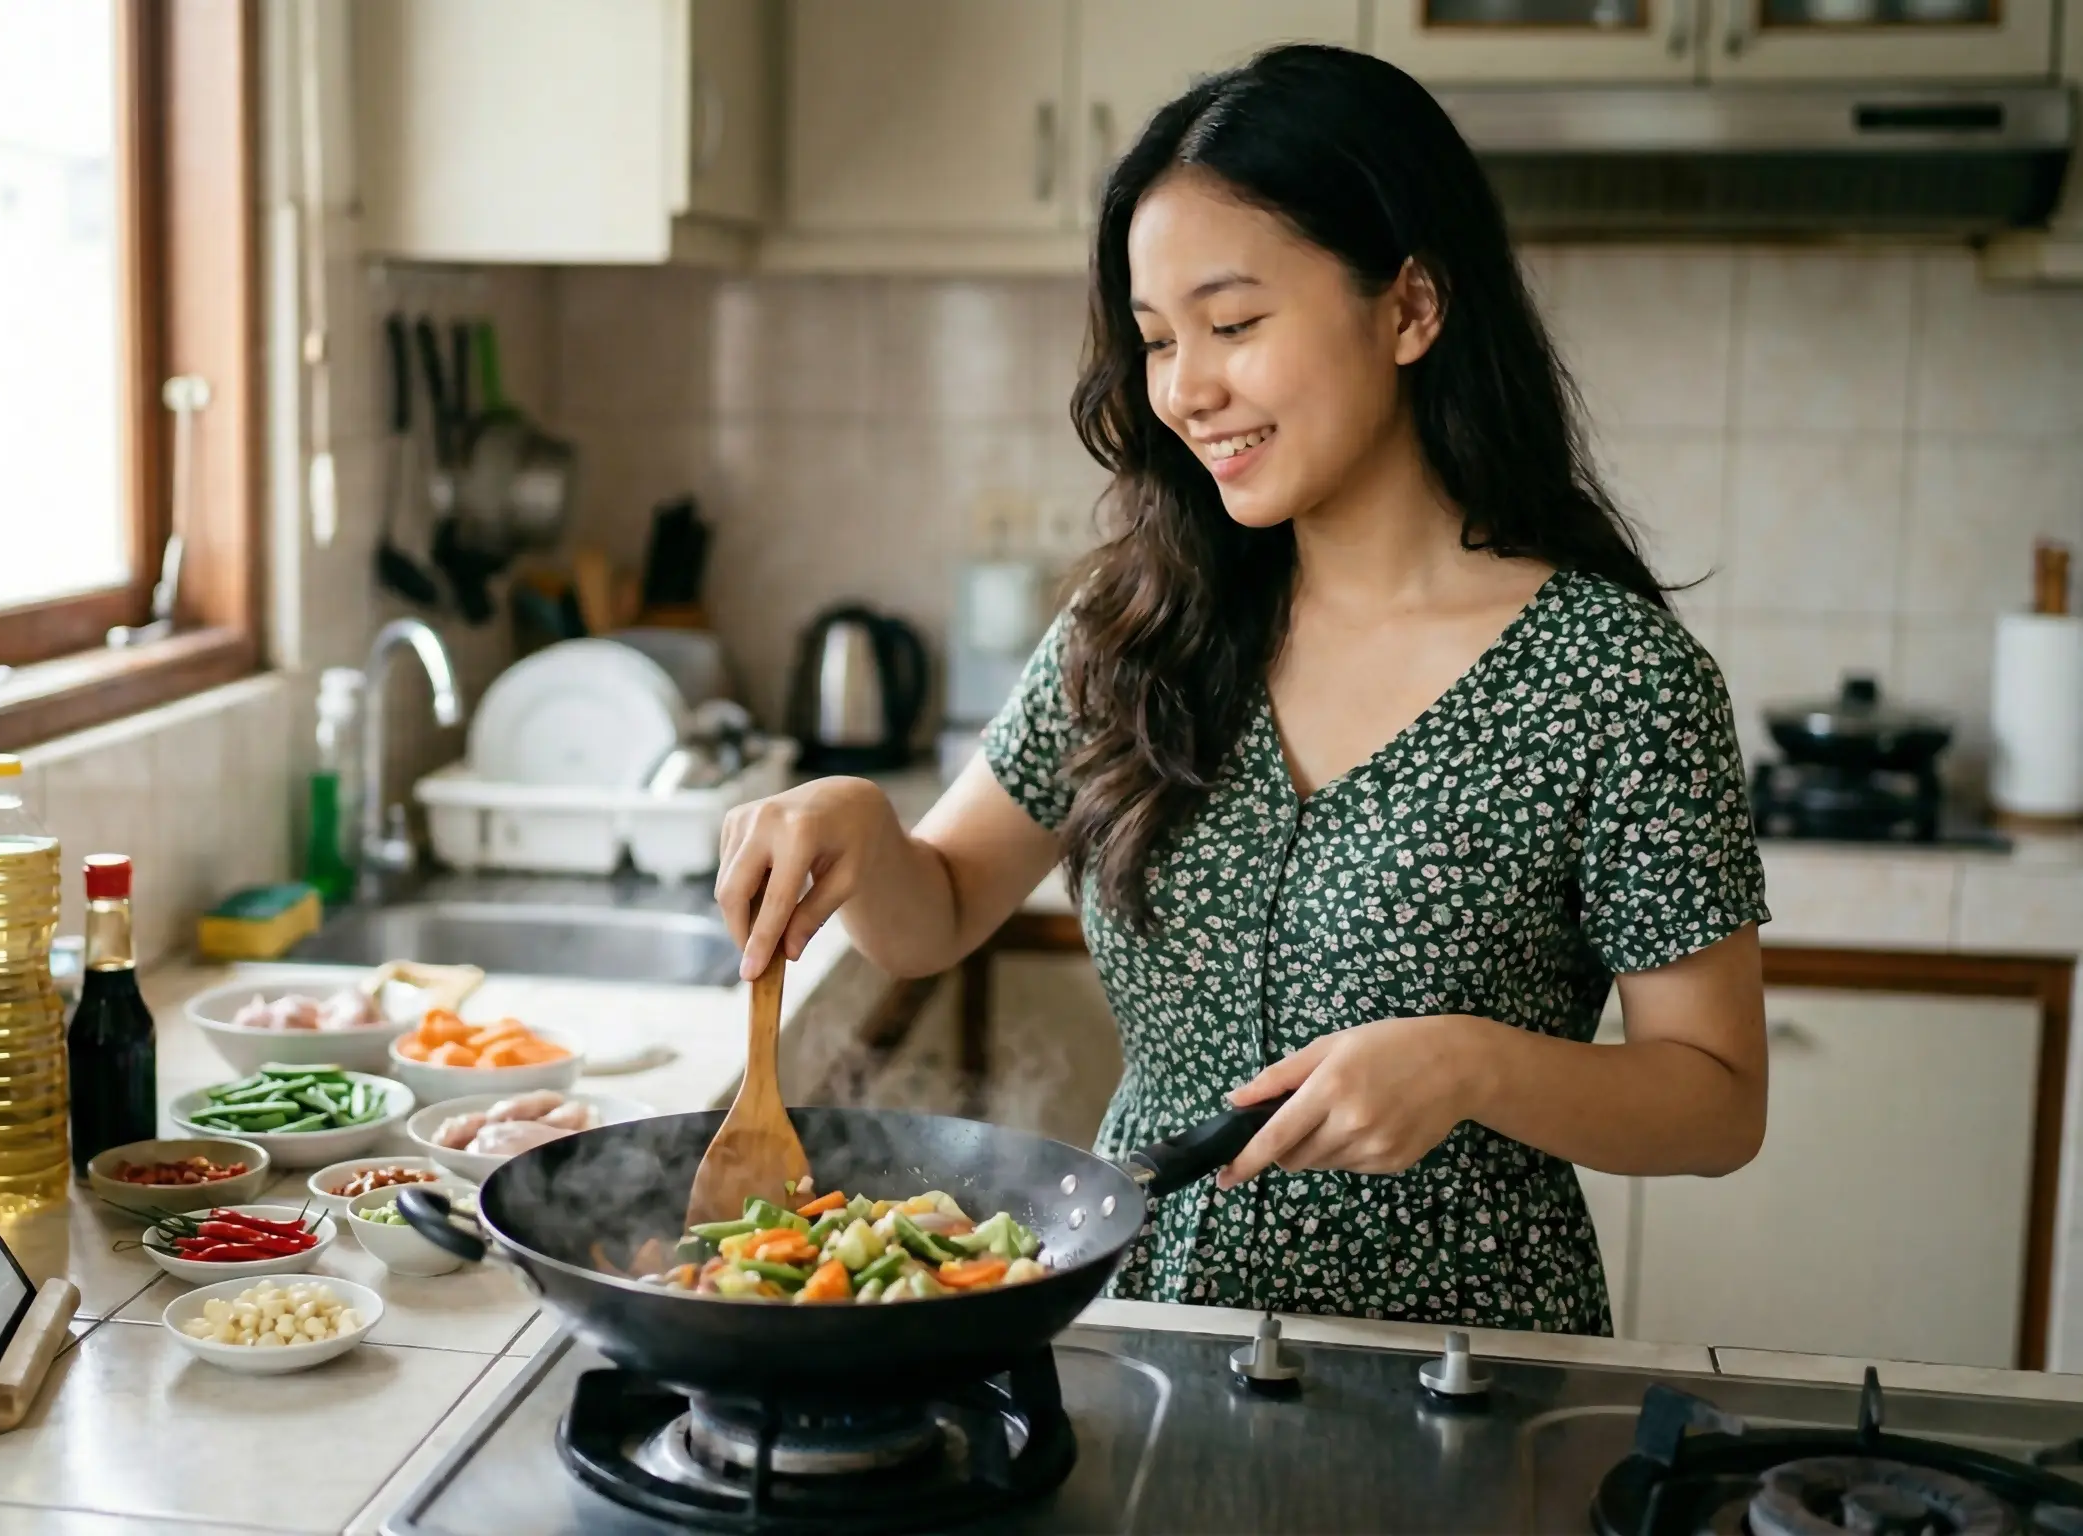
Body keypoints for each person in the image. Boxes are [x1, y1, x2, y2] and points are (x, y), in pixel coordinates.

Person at [714, 44, 1768, 1334]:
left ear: (1411, 307)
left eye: (1234, 324)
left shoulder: (1615, 679)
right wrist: (862, 828)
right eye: (1158, 341)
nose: (1186, 390)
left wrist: (1473, 1063)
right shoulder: (1138, 625)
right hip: (1151, 1331)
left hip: (1460, 1371)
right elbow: (931, 914)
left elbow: (1717, 1102)